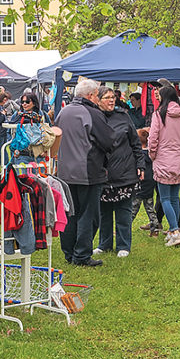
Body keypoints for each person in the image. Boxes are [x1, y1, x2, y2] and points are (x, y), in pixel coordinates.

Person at [55, 78, 115, 266]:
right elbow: (108, 141)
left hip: (65, 172)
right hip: (87, 171)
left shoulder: (63, 112)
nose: (98, 98)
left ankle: (69, 253)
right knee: (88, 215)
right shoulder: (92, 113)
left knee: (70, 213)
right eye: (97, 94)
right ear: (90, 95)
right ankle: (81, 255)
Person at [94, 86, 143, 258]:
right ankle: (104, 244)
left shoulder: (123, 116)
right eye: (106, 97)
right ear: (98, 100)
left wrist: (141, 164)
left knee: (124, 210)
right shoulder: (94, 116)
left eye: (112, 97)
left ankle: (124, 245)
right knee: (104, 211)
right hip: (102, 172)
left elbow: (136, 143)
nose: (111, 100)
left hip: (124, 171)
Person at [148, 78, 180, 247]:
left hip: (163, 158)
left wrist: (152, 154)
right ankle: (176, 229)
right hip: (178, 158)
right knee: (174, 198)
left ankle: (174, 231)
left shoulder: (159, 114)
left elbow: (153, 137)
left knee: (164, 198)